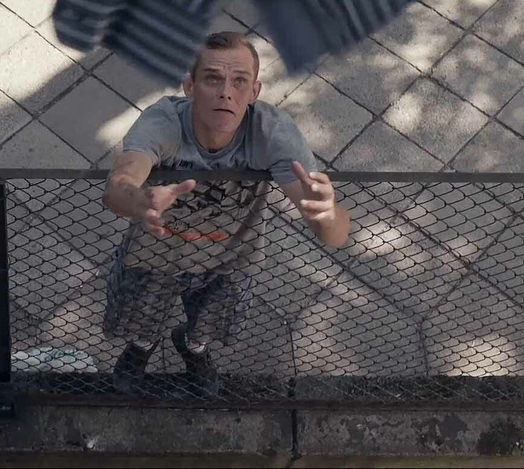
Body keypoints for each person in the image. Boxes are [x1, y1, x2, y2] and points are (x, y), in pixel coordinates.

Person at [102, 31, 350, 392]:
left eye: (239, 81)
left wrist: (326, 213)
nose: (226, 92)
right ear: (189, 86)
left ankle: (192, 347)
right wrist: (138, 200)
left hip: (228, 259)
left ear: (254, 92)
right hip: (156, 253)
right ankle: (142, 347)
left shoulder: (273, 134)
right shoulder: (164, 121)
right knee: (142, 318)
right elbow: (120, 183)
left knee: (208, 325)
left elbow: (334, 236)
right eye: (213, 79)